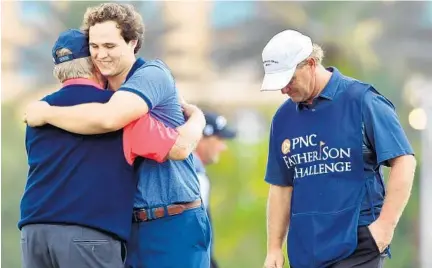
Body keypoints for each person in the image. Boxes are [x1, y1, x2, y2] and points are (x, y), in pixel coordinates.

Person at [24, 3, 211, 268]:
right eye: (94, 47)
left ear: (132, 43)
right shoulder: (105, 96)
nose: (101, 55)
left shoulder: (150, 76)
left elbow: (111, 119)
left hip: (172, 220)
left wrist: (46, 113)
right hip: (126, 226)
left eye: (110, 46)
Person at [261, 30, 416, 268]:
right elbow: (281, 186)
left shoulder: (362, 100)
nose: (284, 90)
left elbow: (404, 160)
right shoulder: (282, 118)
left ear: (311, 64)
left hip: (358, 244)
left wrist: (385, 227)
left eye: (288, 80)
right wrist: (273, 248)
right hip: (305, 250)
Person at [193, 111, 237, 268]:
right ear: (201, 137)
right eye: (219, 139)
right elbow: (192, 230)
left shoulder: (195, 172)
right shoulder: (194, 176)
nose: (223, 147)